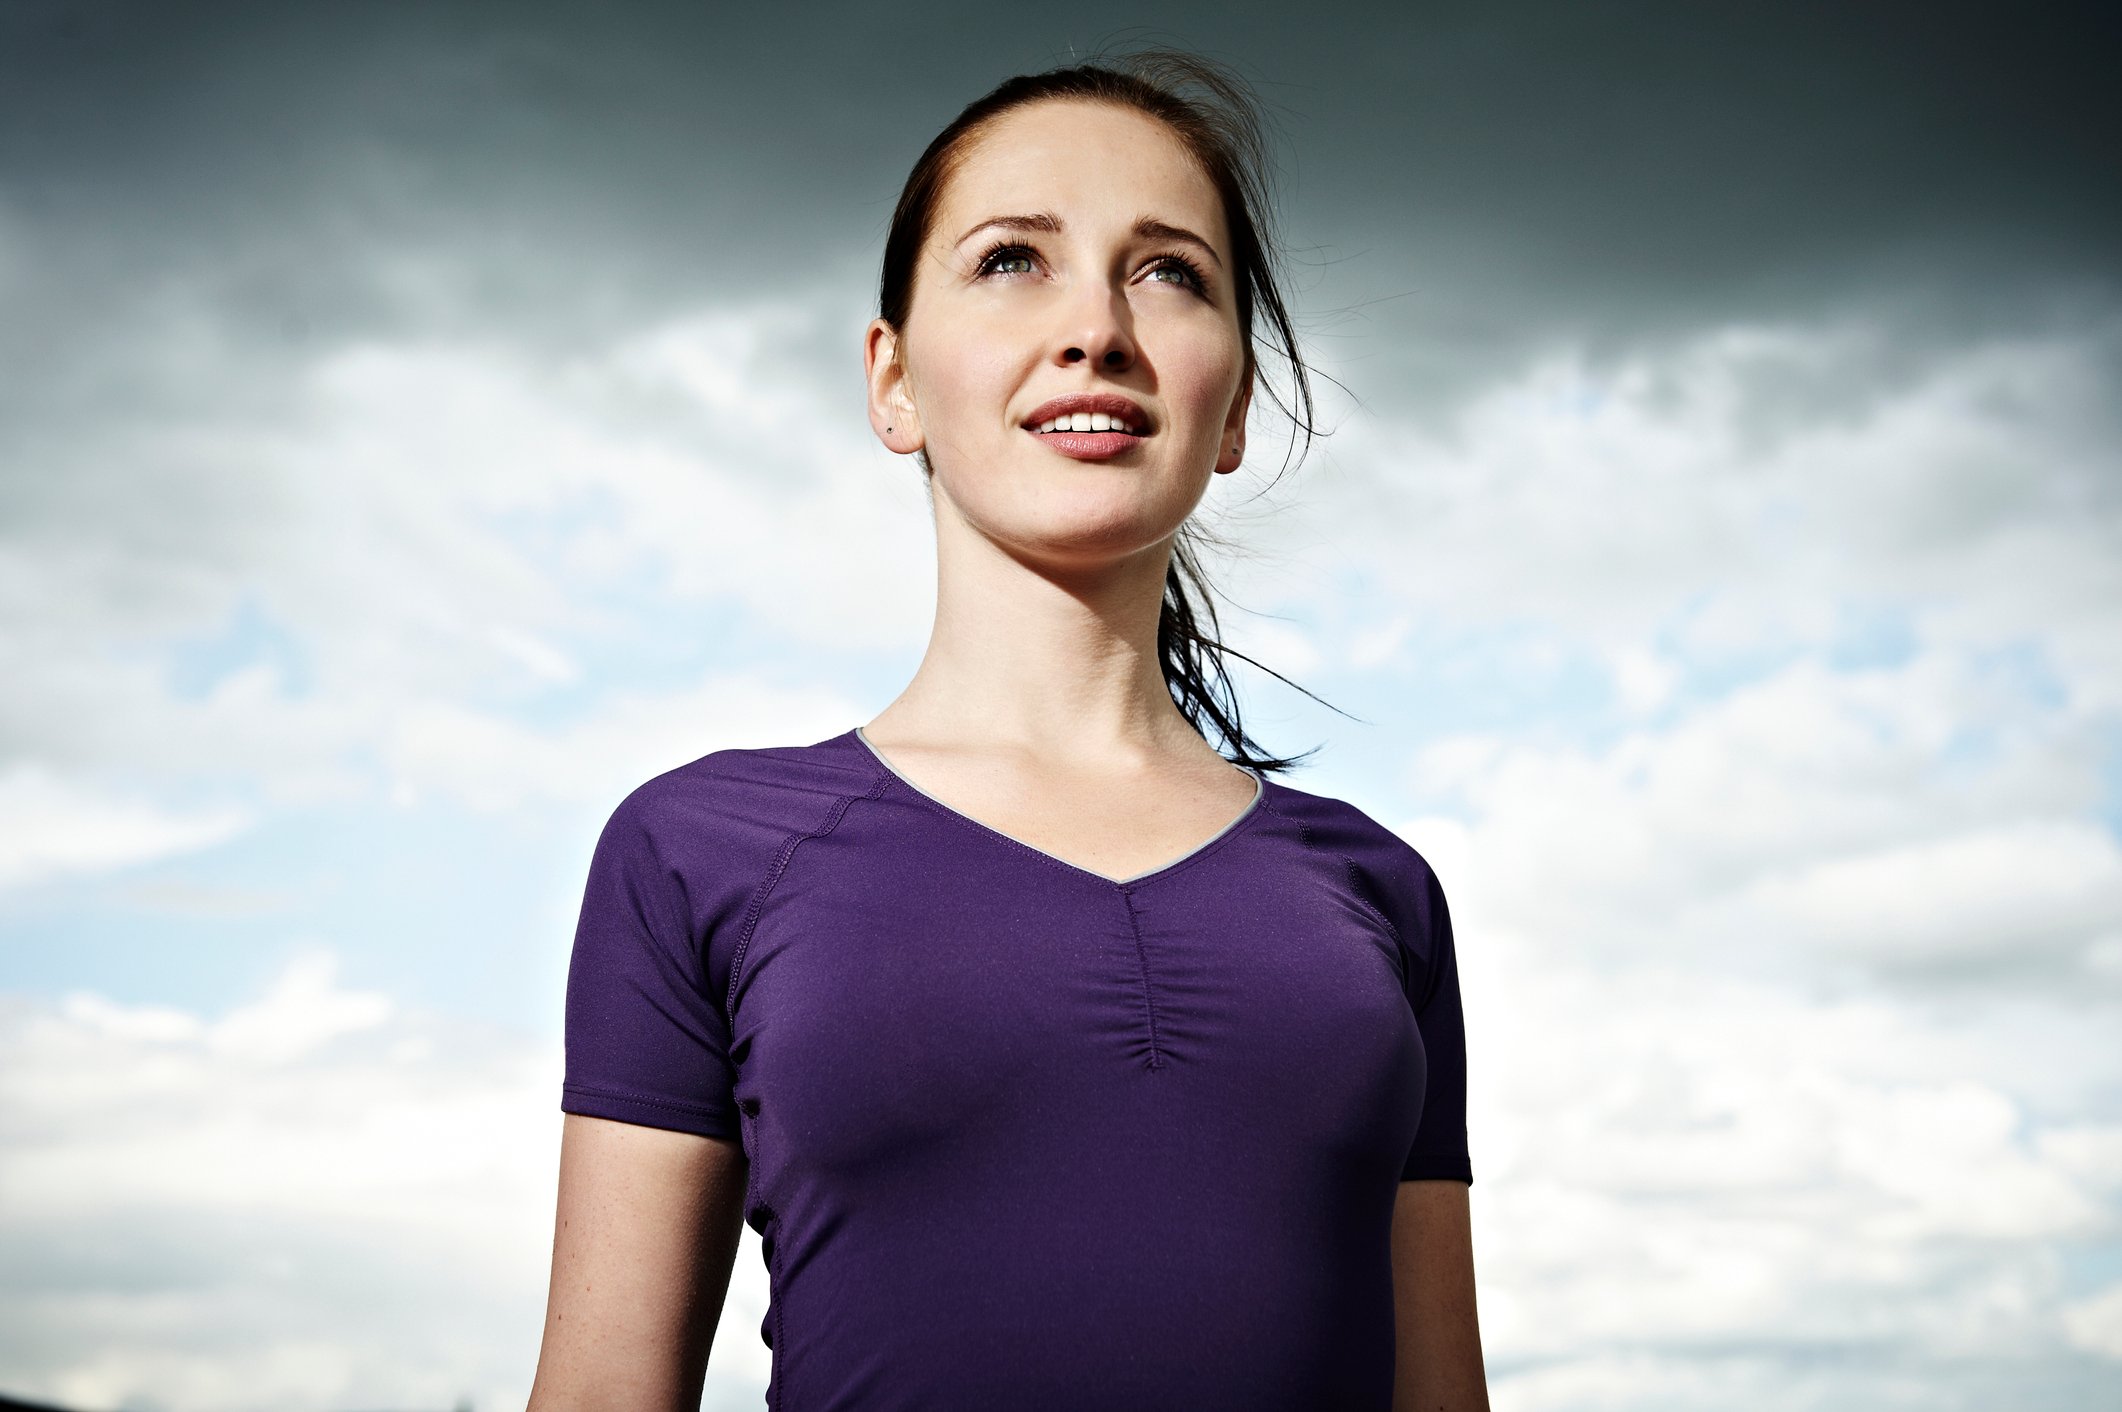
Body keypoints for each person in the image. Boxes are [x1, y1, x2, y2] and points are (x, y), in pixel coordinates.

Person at [528, 49, 1488, 1412]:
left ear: (1236, 405)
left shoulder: (1376, 893)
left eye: (1168, 272)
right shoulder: (695, 852)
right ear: (894, 380)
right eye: (1009, 261)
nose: (1096, 325)